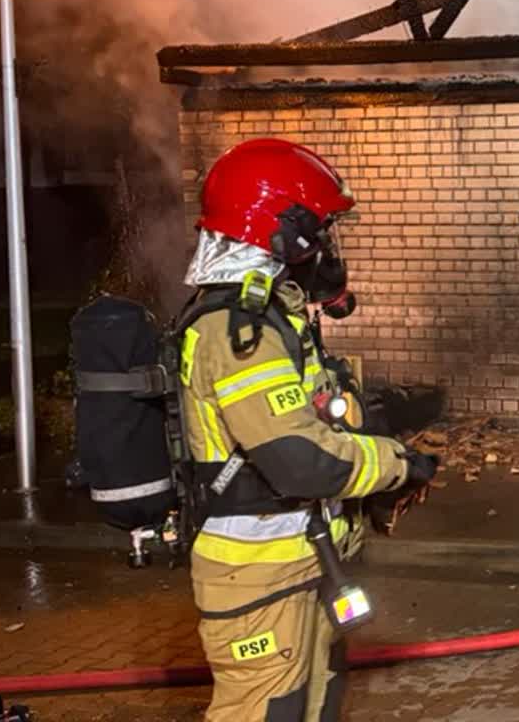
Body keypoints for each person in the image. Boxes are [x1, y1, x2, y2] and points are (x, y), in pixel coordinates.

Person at [181, 138, 438, 721]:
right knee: (269, 711)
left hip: (307, 559)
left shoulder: (277, 320)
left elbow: (318, 418)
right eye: (320, 233)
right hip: (257, 572)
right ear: (282, 236)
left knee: (317, 704)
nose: (326, 250)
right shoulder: (237, 332)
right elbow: (300, 461)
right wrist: (396, 465)